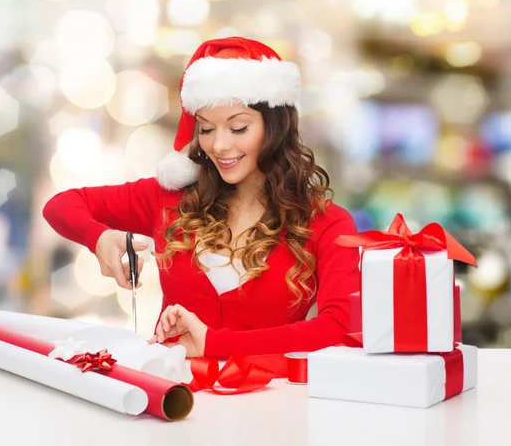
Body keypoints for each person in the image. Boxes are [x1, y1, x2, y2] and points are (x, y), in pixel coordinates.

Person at [43, 36, 360, 358]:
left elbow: (340, 327)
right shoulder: (170, 199)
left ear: (276, 128)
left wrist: (216, 344)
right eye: (207, 129)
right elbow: (61, 206)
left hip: (271, 405)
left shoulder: (326, 223)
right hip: (170, 400)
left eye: (238, 128)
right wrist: (98, 238)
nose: (219, 145)